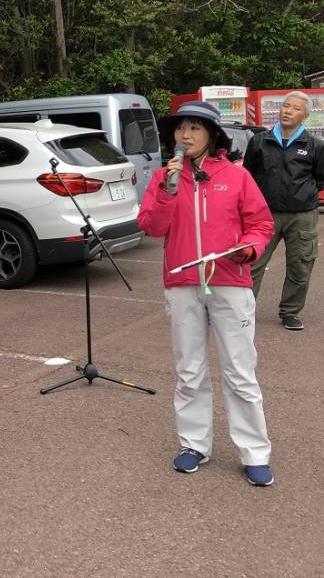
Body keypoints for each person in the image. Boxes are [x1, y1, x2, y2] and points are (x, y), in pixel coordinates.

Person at [138, 100, 275, 487]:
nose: (185, 135)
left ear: (213, 135)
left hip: (230, 282)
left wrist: (249, 247)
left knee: (240, 372)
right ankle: (194, 444)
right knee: (189, 371)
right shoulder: (164, 176)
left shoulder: (236, 176)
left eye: (195, 128)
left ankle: (254, 452)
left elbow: (261, 224)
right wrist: (167, 189)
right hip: (182, 285)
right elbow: (151, 226)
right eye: (181, 128)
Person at [243, 90, 324, 331]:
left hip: (302, 215)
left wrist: (303, 194)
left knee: (300, 265)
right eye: (286, 106)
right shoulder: (259, 141)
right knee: (251, 263)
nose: (288, 111)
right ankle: (241, 309)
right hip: (263, 215)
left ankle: (290, 311)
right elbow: (248, 176)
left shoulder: (315, 146)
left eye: (296, 108)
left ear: (305, 115)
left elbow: (320, 179)